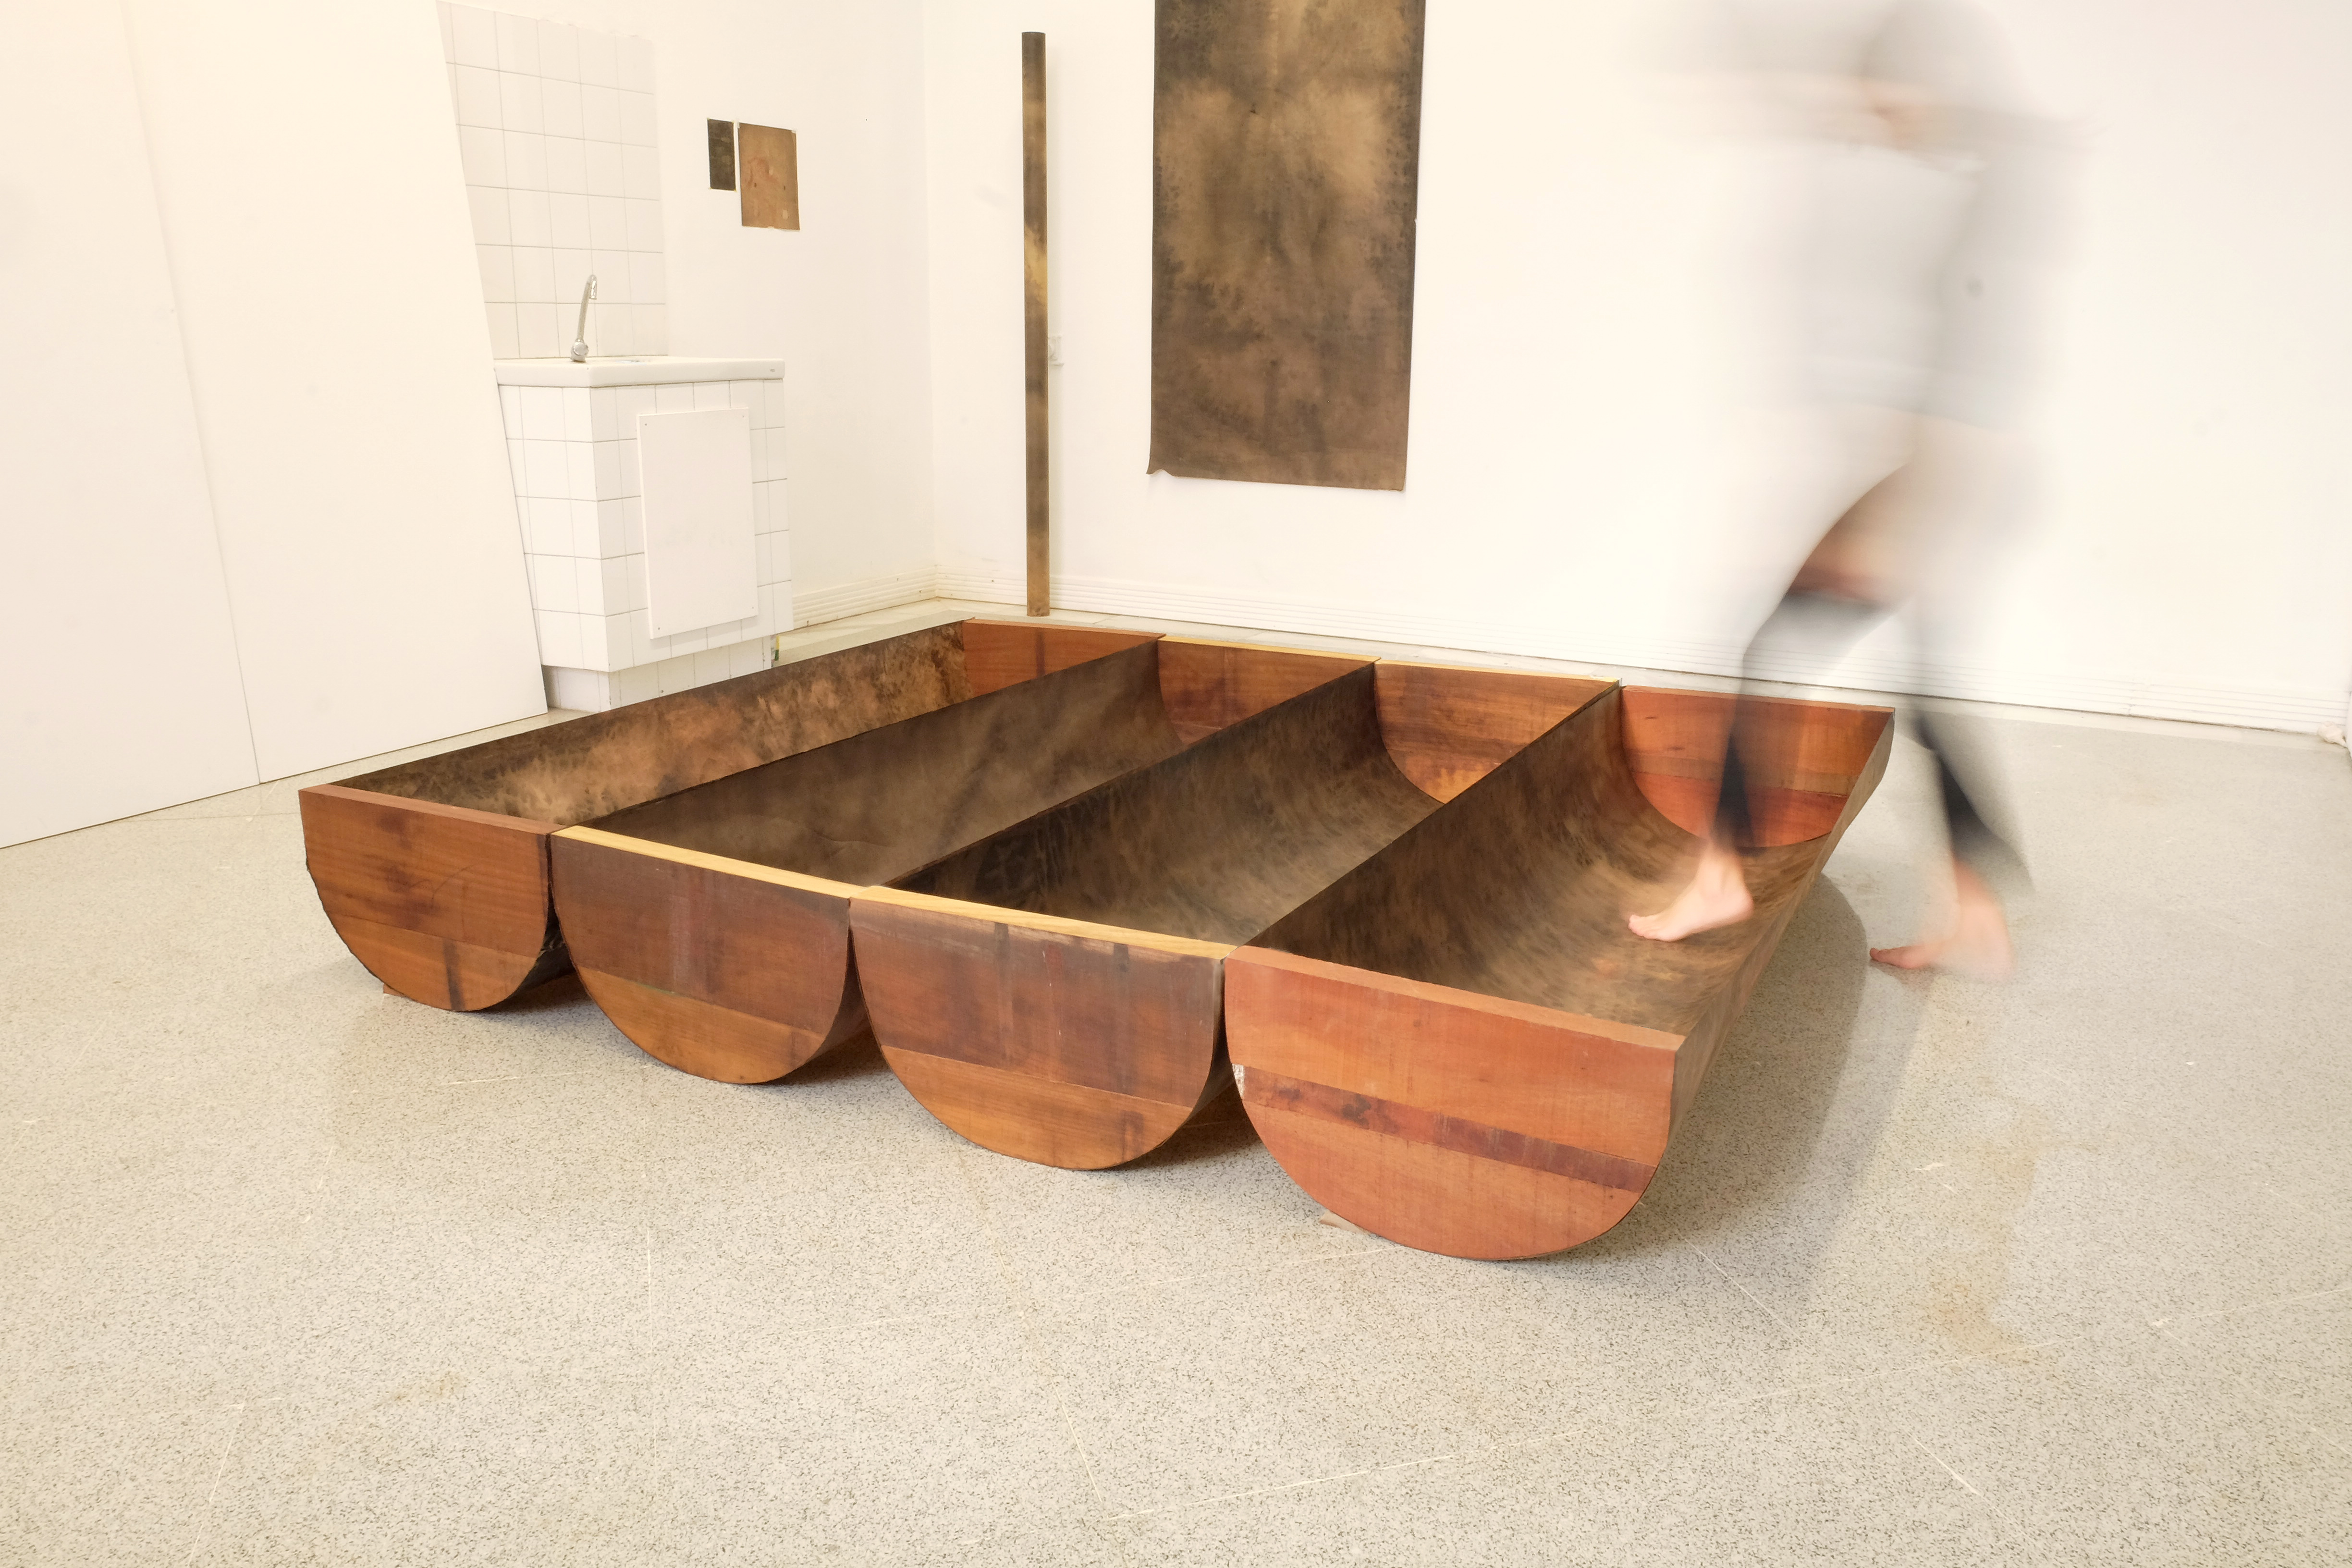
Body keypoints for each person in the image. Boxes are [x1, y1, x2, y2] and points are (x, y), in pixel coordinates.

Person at [1630, 0, 2065, 978]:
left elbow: (1948, 374)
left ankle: (1720, 876)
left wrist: (1881, 524)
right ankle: (1977, 908)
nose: (1874, 121)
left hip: (1934, 476)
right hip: (1943, 473)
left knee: (1763, 651)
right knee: (1930, 682)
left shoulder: (1965, 195)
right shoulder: (1977, 177)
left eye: (1883, 100)